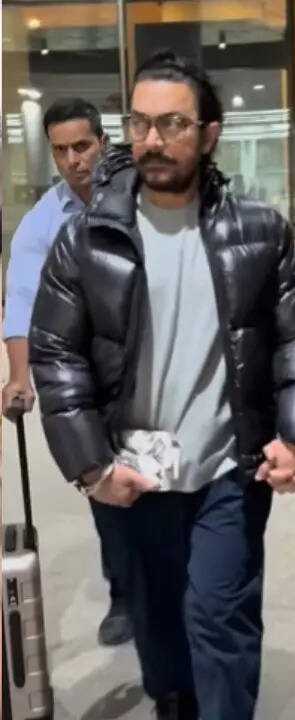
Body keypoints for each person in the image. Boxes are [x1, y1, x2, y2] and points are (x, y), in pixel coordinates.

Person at [28, 51, 295, 720]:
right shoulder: (86, 241)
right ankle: (174, 697)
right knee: (157, 614)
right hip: (131, 472)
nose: (153, 140)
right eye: (140, 123)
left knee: (221, 615)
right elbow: (56, 354)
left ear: (210, 134)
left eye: (173, 124)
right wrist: (90, 465)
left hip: (228, 468)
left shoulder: (259, 232)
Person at [2, 97, 135, 647]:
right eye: (61, 151)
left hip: (144, 360)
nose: (73, 160)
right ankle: (125, 595)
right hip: (84, 371)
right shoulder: (42, 222)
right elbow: (21, 300)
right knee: (103, 480)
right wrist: (19, 377)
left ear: (103, 142)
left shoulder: (138, 196)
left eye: (82, 146)